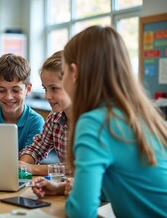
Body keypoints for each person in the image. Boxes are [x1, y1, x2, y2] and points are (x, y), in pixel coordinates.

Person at [32, 26, 167, 217]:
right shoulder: (136, 113)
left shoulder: (95, 123)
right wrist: (62, 187)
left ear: (74, 72)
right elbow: (111, 183)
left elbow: (81, 213)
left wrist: (75, 197)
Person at [0, 53, 44, 151]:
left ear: (28, 89)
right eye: (1, 90)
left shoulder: (35, 122)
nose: (8, 97)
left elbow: (29, 161)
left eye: (15, 90)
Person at [19, 50, 72, 175]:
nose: (47, 96)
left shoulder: (92, 120)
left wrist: (33, 169)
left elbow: (78, 168)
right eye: (45, 88)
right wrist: (21, 166)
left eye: (54, 88)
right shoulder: (55, 117)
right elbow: (37, 148)